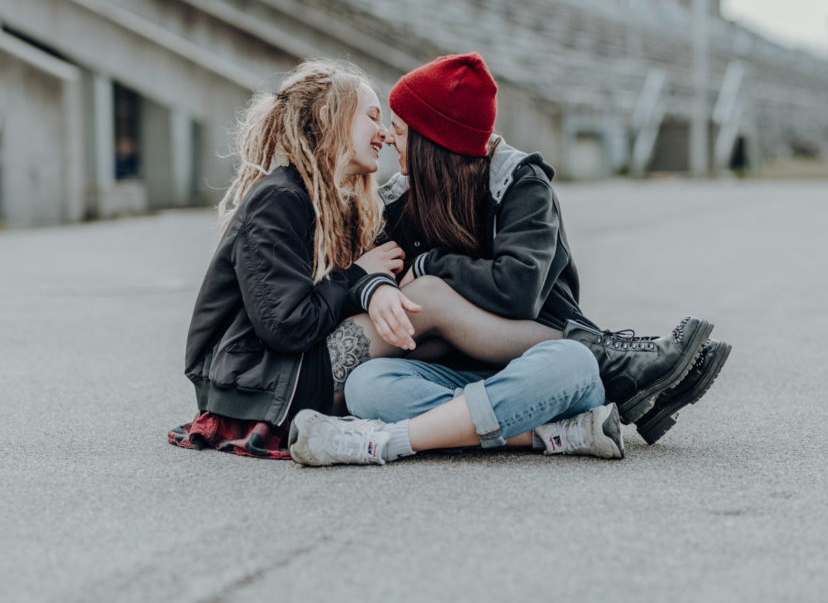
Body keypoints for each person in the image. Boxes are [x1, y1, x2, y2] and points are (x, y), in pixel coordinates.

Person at [288, 53, 729, 466]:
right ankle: (554, 428)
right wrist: (377, 285)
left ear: (433, 139)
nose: (387, 137)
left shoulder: (521, 185)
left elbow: (516, 291)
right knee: (367, 386)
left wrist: (430, 266)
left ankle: (396, 439)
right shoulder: (400, 200)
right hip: (455, 376)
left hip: (533, 370)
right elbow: (365, 268)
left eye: (400, 129)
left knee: (573, 362)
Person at [172, 59, 614, 460]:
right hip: (264, 384)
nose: (383, 133)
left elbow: (370, 272)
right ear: (330, 118)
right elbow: (289, 324)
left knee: (430, 330)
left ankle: (545, 410)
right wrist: (361, 278)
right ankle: (598, 358)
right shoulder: (279, 198)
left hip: (287, 375)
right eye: (372, 116)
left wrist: (368, 280)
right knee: (428, 306)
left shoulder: (325, 199)